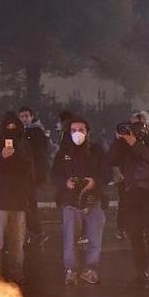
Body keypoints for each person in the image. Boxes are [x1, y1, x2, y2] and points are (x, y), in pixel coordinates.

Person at [108, 111, 149, 290]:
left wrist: (134, 143)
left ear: (148, 124)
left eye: (139, 124)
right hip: (131, 192)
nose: (135, 127)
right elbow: (111, 159)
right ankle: (140, 270)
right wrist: (118, 139)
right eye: (133, 124)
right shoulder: (126, 140)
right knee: (134, 233)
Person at [51, 116, 107, 285]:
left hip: (93, 200)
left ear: (87, 132)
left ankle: (90, 269)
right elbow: (54, 174)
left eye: (81, 130)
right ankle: (70, 271)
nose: (77, 134)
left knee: (94, 240)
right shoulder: (64, 152)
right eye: (73, 130)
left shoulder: (97, 150)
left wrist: (94, 182)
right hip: (70, 202)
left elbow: (107, 173)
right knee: (70, 240)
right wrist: (65, 183)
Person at [0, 113, 34, 283]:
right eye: (8, 127)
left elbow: (28, 169)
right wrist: (1, 157)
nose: (11, 131)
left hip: (18, 200)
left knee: (17, 243)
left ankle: (16, 271)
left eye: (14, 127)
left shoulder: (24, 145)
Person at [19, 106, 51, 246]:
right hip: (26, 174)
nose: (24, 119)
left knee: (26, 204)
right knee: (29, 204)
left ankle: (37, 232)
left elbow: (40, 154)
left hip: (32, 174)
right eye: (22, 116)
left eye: (26, 116)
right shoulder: (24, 131)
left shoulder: (36, 132)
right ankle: (33, 234)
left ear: (31, 117)